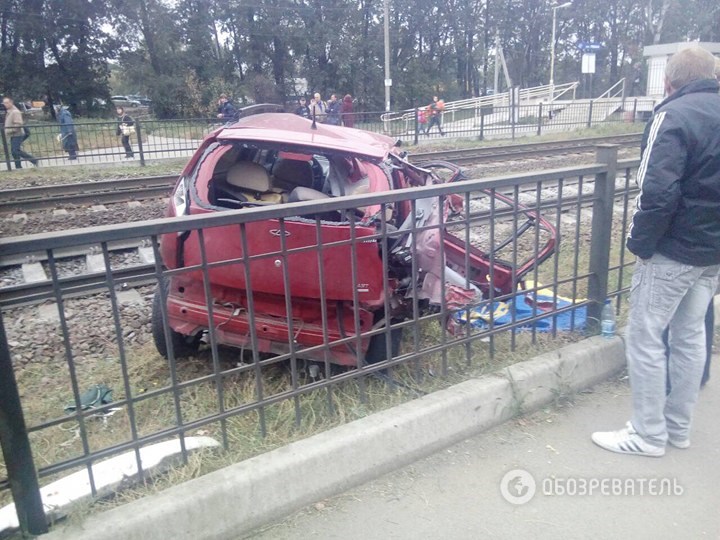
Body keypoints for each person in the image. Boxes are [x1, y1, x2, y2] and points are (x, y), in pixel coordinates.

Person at [592, 47, 720, 457]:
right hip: (711, 252)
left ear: (669, 81)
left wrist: (641, 245)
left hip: (672, 250)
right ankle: (677, 429)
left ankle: (647, 435)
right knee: (689, 336)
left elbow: (656, 191)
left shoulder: (673, 116)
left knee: (644, 337)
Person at [2, 96, 38, 168]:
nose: (5, 104)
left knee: (15, 151)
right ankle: (18, 166)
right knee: (14, 151)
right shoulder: (10, 111)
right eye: (4, 103)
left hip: (17, 134)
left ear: (11, 103)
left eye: (7, 103)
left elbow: (18, 123)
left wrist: (10, 130)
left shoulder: (15, 112)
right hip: (13, 134)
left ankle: (33, 160)